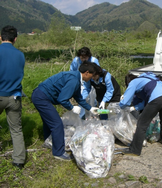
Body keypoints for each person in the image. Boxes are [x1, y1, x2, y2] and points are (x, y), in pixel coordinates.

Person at [31, 62, 99, 161]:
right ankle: (58, 153)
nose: (92, 78)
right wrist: (71, 108)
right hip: (41, 97)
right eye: (92, 75)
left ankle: (49, 142)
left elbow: (79, 98)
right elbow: (62, 99)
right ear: (87, 73)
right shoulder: (73, 80)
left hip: (41, 95)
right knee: (57, 124)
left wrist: (90, 108)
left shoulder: (76, 78)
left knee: (49, 121)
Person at [119, 72, 162, 156]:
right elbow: (145, 102)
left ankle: (134, 150)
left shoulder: (133, 82)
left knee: (142, 124)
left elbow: (125, 102)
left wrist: (121, 104)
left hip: (157, 98)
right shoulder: (148, 78)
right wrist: (135, 108)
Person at [0, 25, 26, 169]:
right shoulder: (20, 55)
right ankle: (19, 160)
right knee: (16, 129)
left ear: (0, 37)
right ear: (15, 39)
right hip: (15, 96)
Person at [70, 47, 99, 119]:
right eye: (81, 58)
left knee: (93, 100)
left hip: (91, 83)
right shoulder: (76, 60)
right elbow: (72, 71)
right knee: (82, 98)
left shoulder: (94, 60)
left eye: (85, 57)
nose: (83, 59)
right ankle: (81, 117)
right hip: (81, 82)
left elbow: (97, 72)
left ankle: (93, 116)